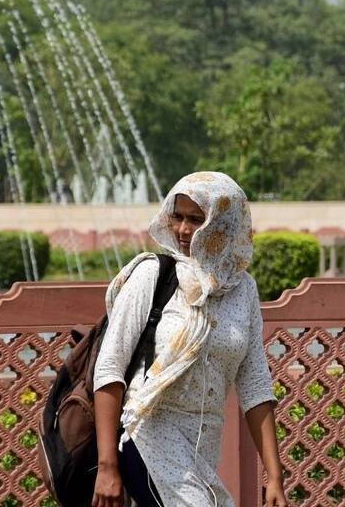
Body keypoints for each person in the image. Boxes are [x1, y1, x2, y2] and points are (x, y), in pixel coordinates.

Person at [91, 171, 288, 507]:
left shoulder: (243, 291)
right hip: (147, 435)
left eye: (197, 220)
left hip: (201, 451)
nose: (183, 230)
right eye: (177, 216)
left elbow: (255, 385)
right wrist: (107, 465)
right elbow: (109, 367)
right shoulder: (153, 275)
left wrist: (275, 474)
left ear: (224, 223)